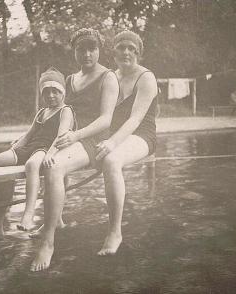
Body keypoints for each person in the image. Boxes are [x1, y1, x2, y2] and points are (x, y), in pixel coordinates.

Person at [30, 28, 119, 272]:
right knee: (41, 159)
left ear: (100, 50)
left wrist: (75, 136)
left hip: (93, 139)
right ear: (75, 52)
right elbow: (59, 113)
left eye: (92, 48)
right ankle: (55, 220)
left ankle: (48, 242)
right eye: (82, 49)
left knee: (55, 166)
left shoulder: (108, 77)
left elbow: (106, 119)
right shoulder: (69, 80)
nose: (87, 54)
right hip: (68, 137)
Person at [0, 67, 76, 246]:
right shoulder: (42, 112)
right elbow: (28, 136)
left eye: (55, 91)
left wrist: (51, 153)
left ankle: (28, 214)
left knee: (31, 165)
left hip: (46, 148)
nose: (51, 96)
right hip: (31, 146)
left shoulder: (66, 111)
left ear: (63, 93)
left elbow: (61, 135)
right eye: (46, 92)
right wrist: (14, 148)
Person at [95, 30, 158, 256]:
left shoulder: (146, 77)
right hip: (116, 134)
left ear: (138, 53)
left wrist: (111, 143)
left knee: (111, 161)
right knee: (67, 150)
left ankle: (114, 232)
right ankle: (56, 220)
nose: (126, 52)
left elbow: (135, 119)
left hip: (142, 135)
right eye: (122, 47)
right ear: (114, 51)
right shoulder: (110, 76)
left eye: (132, 49)